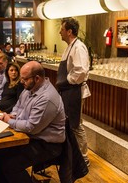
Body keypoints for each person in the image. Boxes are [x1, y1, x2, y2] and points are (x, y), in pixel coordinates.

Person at [0, 61, 66, 183]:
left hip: (46, 144)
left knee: (10, 165)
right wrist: (12, 115)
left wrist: (9, 121)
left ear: (37, 78)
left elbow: (32, 127)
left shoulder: (47, 98)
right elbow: (18, 107)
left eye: (25, 79)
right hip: (30, 136)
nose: (21, 82)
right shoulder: (29, 88)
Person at [57, 17, 91, 166]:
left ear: (69, 31)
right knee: (70, 124)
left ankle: (83, 159)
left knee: (76, 125)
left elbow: (81, 71)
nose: (60, 31)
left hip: (74, 91)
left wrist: (66, 81)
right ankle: (74, 155)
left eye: (62, 29)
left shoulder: (78, 47)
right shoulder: (70, 46)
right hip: (68, 91)